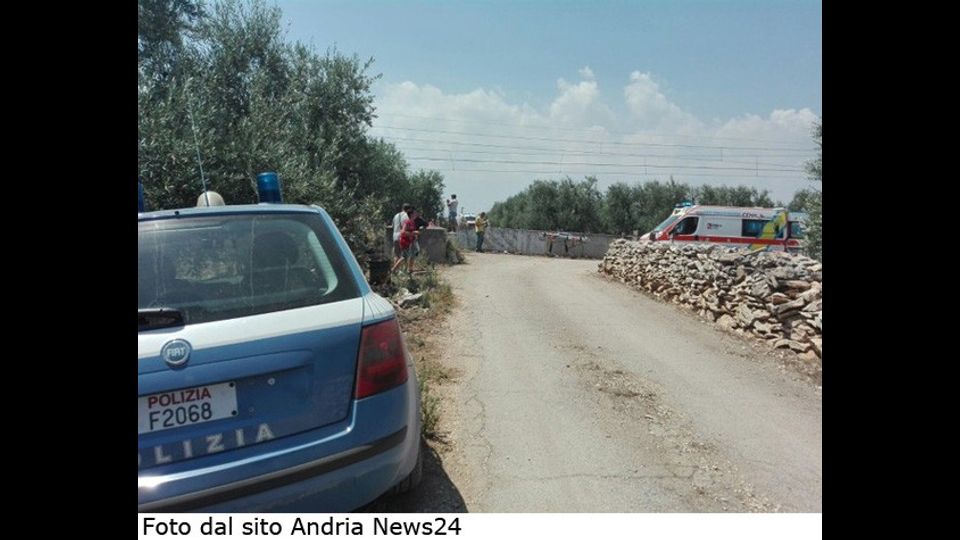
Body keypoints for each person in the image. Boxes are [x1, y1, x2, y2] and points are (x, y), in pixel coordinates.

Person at [391, 208, 420, 274]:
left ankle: (408, 270)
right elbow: (403, 232)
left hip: (409, 242)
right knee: (403, 257)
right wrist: (414, 233)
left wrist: (414, 235)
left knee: (409, 256)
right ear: (411, 214)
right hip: (404, 242)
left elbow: (411, 231)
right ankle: (393, 269)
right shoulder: (407, 222)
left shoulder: (412, 222)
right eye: (414, 213)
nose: (416, 214)